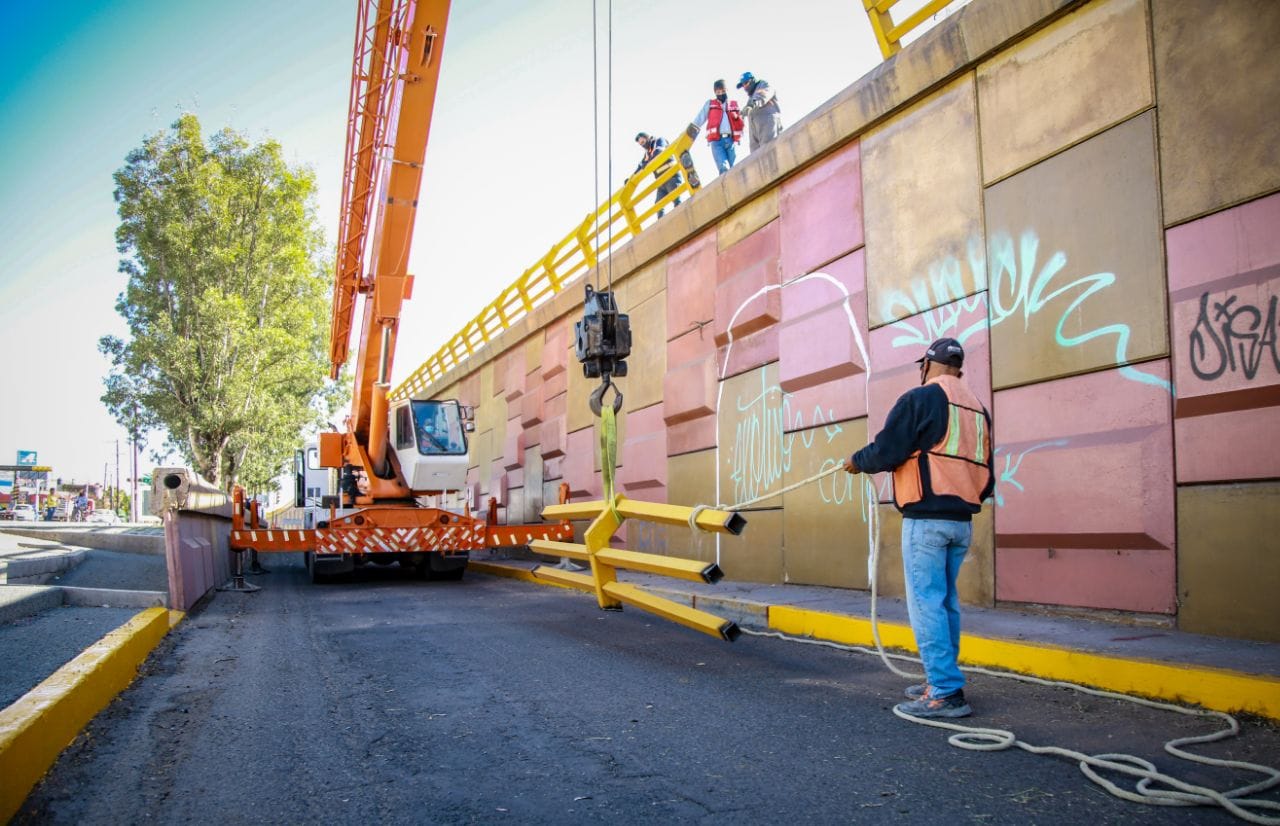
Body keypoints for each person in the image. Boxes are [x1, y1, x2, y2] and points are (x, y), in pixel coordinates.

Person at [842, 337, 994, 719]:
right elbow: (988, 475)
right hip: (961, 523)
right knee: (945, 603)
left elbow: (888, 451)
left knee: (927, 603)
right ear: (958, 368)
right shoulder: (977, 409)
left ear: (927, 365)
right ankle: (941, 679)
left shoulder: (920, 398)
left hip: (925, 520)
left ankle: (944, 691)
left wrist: (857, 462)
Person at [692, 79, 744, 174]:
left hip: (731, 141)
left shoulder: (734, 104)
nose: (721, 94)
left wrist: (740, 136)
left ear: (727, 90)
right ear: (715, 93)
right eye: (718, 92)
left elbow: (740, 121)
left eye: (723, 91)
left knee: (736, 168)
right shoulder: (710, 104)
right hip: (717, 142)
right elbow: (699, 118)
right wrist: (691, 130)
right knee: (723, 168)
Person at [632, 132, 682, 217]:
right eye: (641, 144)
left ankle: (682, 216)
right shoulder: (647, 153)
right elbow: (640, 166)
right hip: (661, 181)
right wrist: (632, 177)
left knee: (676, 199)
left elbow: (658, 152)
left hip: (670, 175)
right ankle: (662, 226)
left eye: (643, 142)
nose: (643, 145)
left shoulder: (659, 141)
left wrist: (647, 163)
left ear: (647, 138)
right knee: (658, 206)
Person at [736, 71, 783, 151]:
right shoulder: (751, 98)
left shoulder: (764, 85)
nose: (744, 87)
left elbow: (761, 96)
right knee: (755, 156)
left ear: (752, 80)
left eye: (746, 83)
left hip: (768, 125)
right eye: (742, 85)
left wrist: (751, 105)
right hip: (756, 132)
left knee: (769, 150)